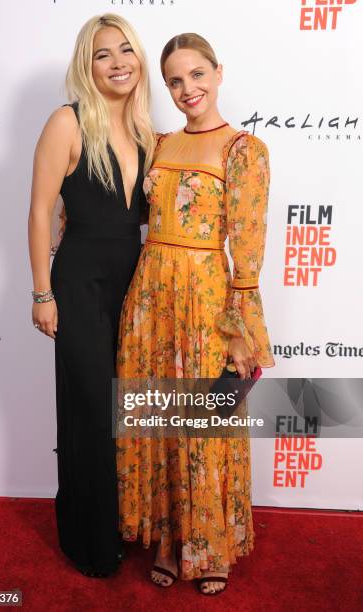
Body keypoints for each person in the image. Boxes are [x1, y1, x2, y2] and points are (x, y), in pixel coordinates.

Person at [116, 33, 275, 595]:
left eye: (197, 75)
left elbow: (248, 252)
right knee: (161, 421)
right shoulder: (158, 144)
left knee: (206, 424)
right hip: (150, 297)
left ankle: (208, 548)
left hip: (206, 302)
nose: (189, 89)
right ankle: (167, 539)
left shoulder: (243, 150)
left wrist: (241, 330)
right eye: (176, 81)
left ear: (218, 73)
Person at [28, 13, 154, 577]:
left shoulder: (151, 132)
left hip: (136, 281)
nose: (118, 62)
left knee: (126, 410)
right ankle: (87, 539)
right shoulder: (68, 121)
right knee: (89, 412)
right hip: (78, 283)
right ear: (87, 63)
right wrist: (41, 292)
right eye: (104, 53)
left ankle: (122, 524)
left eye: (126, 50)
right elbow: (38, 211)